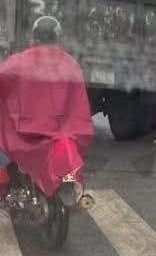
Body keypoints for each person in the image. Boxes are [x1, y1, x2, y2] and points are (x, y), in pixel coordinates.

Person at [0, 15, 94, 193]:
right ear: (57, 37)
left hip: (22, 135)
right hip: (60, 136)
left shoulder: (17, 62)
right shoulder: (70, 64)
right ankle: (72, 186)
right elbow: (79, 104)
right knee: (70, 163)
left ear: (34, 36)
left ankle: (3, 194)